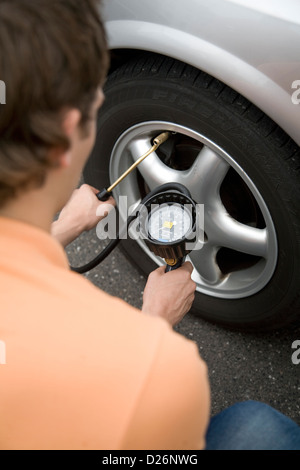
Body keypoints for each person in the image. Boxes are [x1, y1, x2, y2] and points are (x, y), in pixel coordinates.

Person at [0, 0, 299, 451]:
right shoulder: (165, 379)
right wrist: (155, 325)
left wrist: (61, 230)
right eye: (92, 101)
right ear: (67, 136)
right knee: (260, 429)